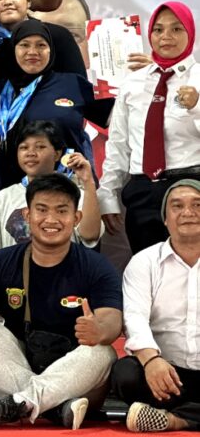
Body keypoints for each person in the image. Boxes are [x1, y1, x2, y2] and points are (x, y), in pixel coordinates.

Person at [0, 174, 122, 430]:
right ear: (27, 215)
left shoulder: (96, 266)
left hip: (75, 376)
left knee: (103, 351)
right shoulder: (0, 262)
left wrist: (100, 329)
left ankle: (18, 403)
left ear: (76, 218)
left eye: (62, 211)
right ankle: (53, 408)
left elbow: (112, 320)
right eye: (42, 210)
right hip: (22, 366)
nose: (51, 219)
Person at [0, 18, 96, 193]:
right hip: (13, 191)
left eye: (41, 45)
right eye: (24, 45)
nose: (33, 52)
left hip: (69, 187)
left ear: (51, 50)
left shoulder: (72, 83)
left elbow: (108, 116)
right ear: (13, 49)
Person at [98, 2, 200, 255]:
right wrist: (107, 195)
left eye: (176, 29)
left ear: (190, 33)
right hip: (142, 193)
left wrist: (197, 107)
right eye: (158, 29)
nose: (166, 36)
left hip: (192, 189)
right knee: (148, 267)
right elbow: (119, 144)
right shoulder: (132, 82)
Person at [112, 179, 200, 432]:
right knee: (126, 374)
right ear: (165, 219)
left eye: (197, 205)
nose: (188, 212)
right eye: (177, 206)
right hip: (167, 374)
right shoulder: (144, 262)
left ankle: (177, 420)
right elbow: (134, 318)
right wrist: (151, 360)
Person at [0, 120, 101, 254]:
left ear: (57, 154)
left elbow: (90, 236)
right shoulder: (4, 197)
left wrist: (88, 181)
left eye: (40, 147)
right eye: (24, 147)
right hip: (12, 267)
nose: (31, 153)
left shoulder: (75, 194)